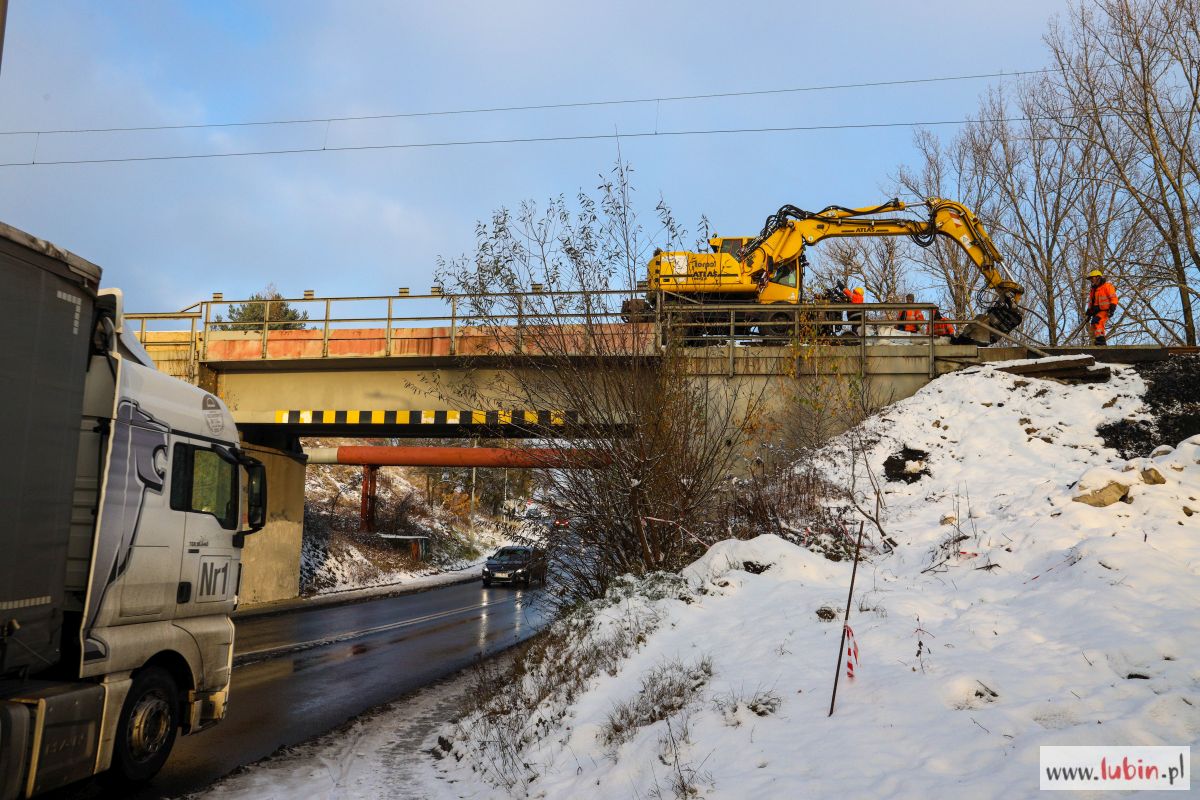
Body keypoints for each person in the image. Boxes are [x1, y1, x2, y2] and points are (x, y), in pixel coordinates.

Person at [1086, 269, 1118, 346]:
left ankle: (1101, 341)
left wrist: (1112, 309)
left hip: (1105, 310)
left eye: (1092, 278)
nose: (1091, 280)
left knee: (1097, 322)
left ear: (1098, 277)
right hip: (1096, 312)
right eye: (1090, 279)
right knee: (1093, 326)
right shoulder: (1093, 290)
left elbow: (1114, 298)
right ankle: (1097, 342)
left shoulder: (1107, 286)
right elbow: (1091, 302)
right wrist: (1089, 312)